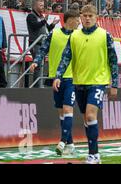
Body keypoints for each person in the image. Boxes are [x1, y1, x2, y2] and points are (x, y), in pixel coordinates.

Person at [55, 4, 118, 164]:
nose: (87, 18)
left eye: (91, 16)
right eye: (85, 16)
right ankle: (93, 154)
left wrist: (114, 84)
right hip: (79, 82)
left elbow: (113, 60)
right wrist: (58, 76)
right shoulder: (74, 36)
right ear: (80, 17)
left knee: (91, 115)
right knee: (86, 119)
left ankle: (94, 155)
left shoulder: (105, 35)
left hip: (98, 82)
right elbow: (65, 57)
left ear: (96, 17)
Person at [29, 9, 81, 156]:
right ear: (70, 19)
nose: (79, 22)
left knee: (67, 110)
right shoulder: (54, 34)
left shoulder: (79, 36)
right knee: (61, 113)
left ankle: (63, 141)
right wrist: (36, 62)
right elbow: (43, 50)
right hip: (55, 78)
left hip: (73, 78)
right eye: (77, 19)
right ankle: (70, 145)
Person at [26, 0, 60, 88]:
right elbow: (35, 26)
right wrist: (45, 19)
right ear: (35, 6)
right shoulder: (31, 16)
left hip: (42, 43)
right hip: (35, 43)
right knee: (38, 65)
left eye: (43, 5)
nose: (42, 7)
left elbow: (46, 28)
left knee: (44, 64)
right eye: (40, 5)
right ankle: (37, 86)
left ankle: (42, 84)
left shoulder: (41, 16)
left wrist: (53, 24)